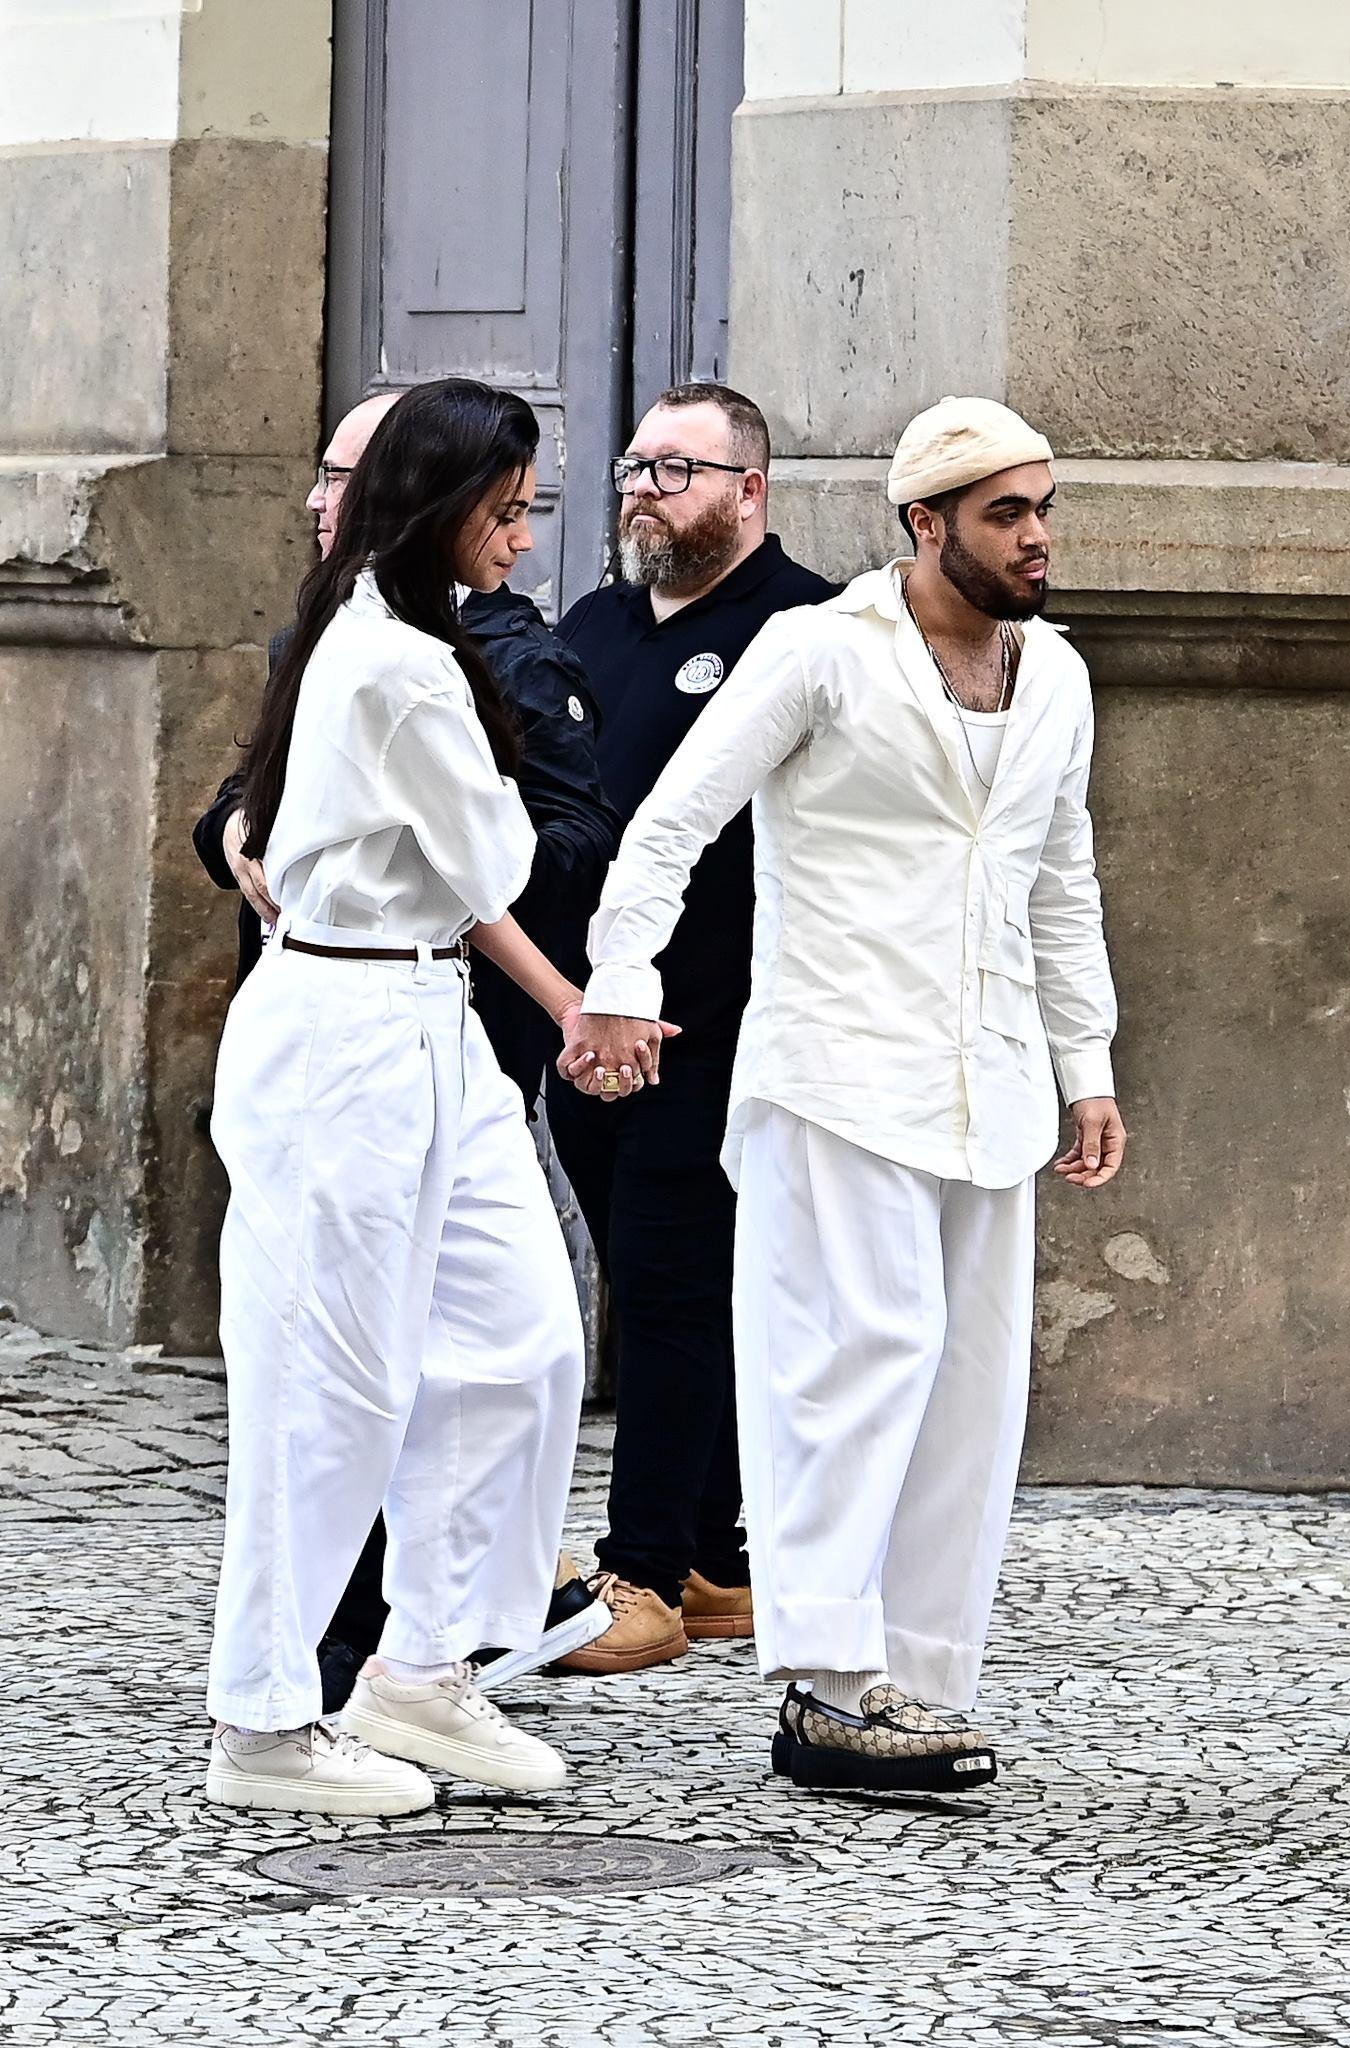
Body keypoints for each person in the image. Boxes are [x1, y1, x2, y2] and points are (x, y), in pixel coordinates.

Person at [560, 396, 1127, 1792]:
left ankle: (919, 1681)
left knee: (966, 1394)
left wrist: (1086, 1064)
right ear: (923, 523)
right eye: (1005, 513)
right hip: (834, 1075)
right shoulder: (815, 651)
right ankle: (820, 1687)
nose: (1036, 535)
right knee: (847, 1373)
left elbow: (1060, 878)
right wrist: (623, 979)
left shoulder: (1054, 675)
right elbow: (669, 828)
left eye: (1043, 507)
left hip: (987, 1087)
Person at [204, 379, 637, 1818]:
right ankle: (265, 1722)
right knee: (327, 1385)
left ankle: (422, 1667)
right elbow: (501, 857)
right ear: (443, 507)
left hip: (427, 1012)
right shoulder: (392, 659)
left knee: (518, 1345)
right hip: (342, 1029)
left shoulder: (408, 640)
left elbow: (471, 868)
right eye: (506, 512)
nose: (523, 539)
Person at [545, 382, 838, 1673]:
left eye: (678, 468)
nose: (644, 489)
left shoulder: (808, 625)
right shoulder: (591, 624)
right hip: (585, 1023)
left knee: (669, 1293)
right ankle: (719, 1559)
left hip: (712, 1028)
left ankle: (646, 1577)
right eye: (635, 465)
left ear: (749, 491)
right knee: (654, 1287)